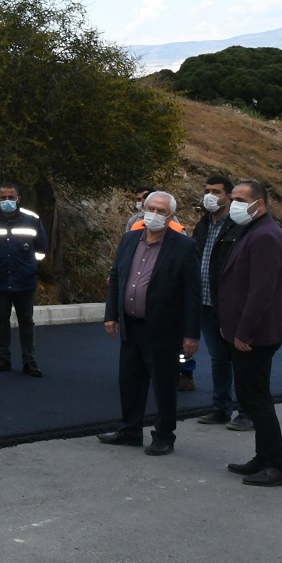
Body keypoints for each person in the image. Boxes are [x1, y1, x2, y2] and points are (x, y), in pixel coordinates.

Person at [97, 191, 202, 455]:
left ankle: (164, 435)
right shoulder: (130, 238)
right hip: (131, 325)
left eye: (161, 211)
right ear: (143, 209)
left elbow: (192, 293)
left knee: (164, 384)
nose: (154, 214)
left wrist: (191, 334)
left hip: (163, 328)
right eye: (151, 208)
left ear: (171, 217)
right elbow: (116, 277)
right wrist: (111, 314)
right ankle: (130, 429)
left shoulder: (184, 246)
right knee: (130, 380)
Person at [215, 179, 282, 487]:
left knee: (257, 399)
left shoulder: (266, 237)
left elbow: (261, 292)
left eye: (238, 198)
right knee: (252, 397)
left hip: (257, 335)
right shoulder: (253, 231)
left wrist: (243, 332)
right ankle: (263, 458)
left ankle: (278, 466)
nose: (231, 203)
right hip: (244, 331)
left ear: (258, 205)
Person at [189, 174, 252, 430]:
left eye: (216, 191)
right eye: (207, 191)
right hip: (204, 303)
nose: (210, 196)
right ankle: (221, 408)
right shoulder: (202, 225)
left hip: (228, 304)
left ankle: (247, 411)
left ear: (228, 196)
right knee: (218, 358)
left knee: (240, 358)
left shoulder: (240, 227)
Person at [0, 182, 49, 377]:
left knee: (26, 321)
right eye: (3, 198)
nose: (7, 201)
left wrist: (32, 265)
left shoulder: (32, 220)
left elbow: (41, 248)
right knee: (1, 320)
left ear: (18, 199)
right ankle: (3, 358)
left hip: (25, 281)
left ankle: (29, 361)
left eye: (11, 197)